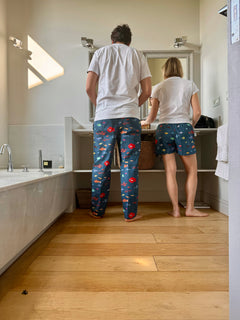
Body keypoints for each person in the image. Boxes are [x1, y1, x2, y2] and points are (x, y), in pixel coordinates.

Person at [86, 24, 151, 221]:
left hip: (104, 118)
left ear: (112, 39)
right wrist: (133, 106)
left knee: (101, 165)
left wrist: (100, 107)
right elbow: (147, 91)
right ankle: (130, 214)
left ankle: (97, 211)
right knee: (129, 165)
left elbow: (89, 87)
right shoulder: (138, 55)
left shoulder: (100, 53)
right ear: (129, 41)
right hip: (129, 117)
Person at [141, 57, 208, 218]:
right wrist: (189, 125)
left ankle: (176, 210)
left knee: (170, 172)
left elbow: (151, 118)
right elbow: (197, 112)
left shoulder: (158, 87)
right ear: (180, 69)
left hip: (164, 128)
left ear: (165, 70)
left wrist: (142, 122)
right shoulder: (189, 85)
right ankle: (190, 209)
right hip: (183, 127)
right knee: (192, 170)